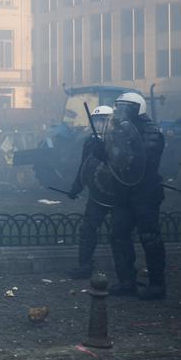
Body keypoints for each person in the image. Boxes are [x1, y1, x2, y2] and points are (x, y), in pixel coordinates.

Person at [105, 92, 167, 300]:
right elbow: (115, 158)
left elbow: (141, 157)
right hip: (123, 191)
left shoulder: (150, 131)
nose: (121, 112)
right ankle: (126, 280)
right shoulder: (119, 129)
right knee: (118, 235)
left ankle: (157, 284)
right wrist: (102, 150)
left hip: (145, 191)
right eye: (119, 107)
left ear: (137, 109)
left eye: (126, 108)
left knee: (150, 237)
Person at [65, 106, 114, 279]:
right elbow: (85, 166)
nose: (99, 124)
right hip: (97, 194)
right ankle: (85, 266)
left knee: (119, 233)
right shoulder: (90, 141)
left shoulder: (119, 139)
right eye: (97, 120)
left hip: (117, 194)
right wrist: (76, 187)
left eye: (103, 120)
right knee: (87, 230)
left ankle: (125, 273)